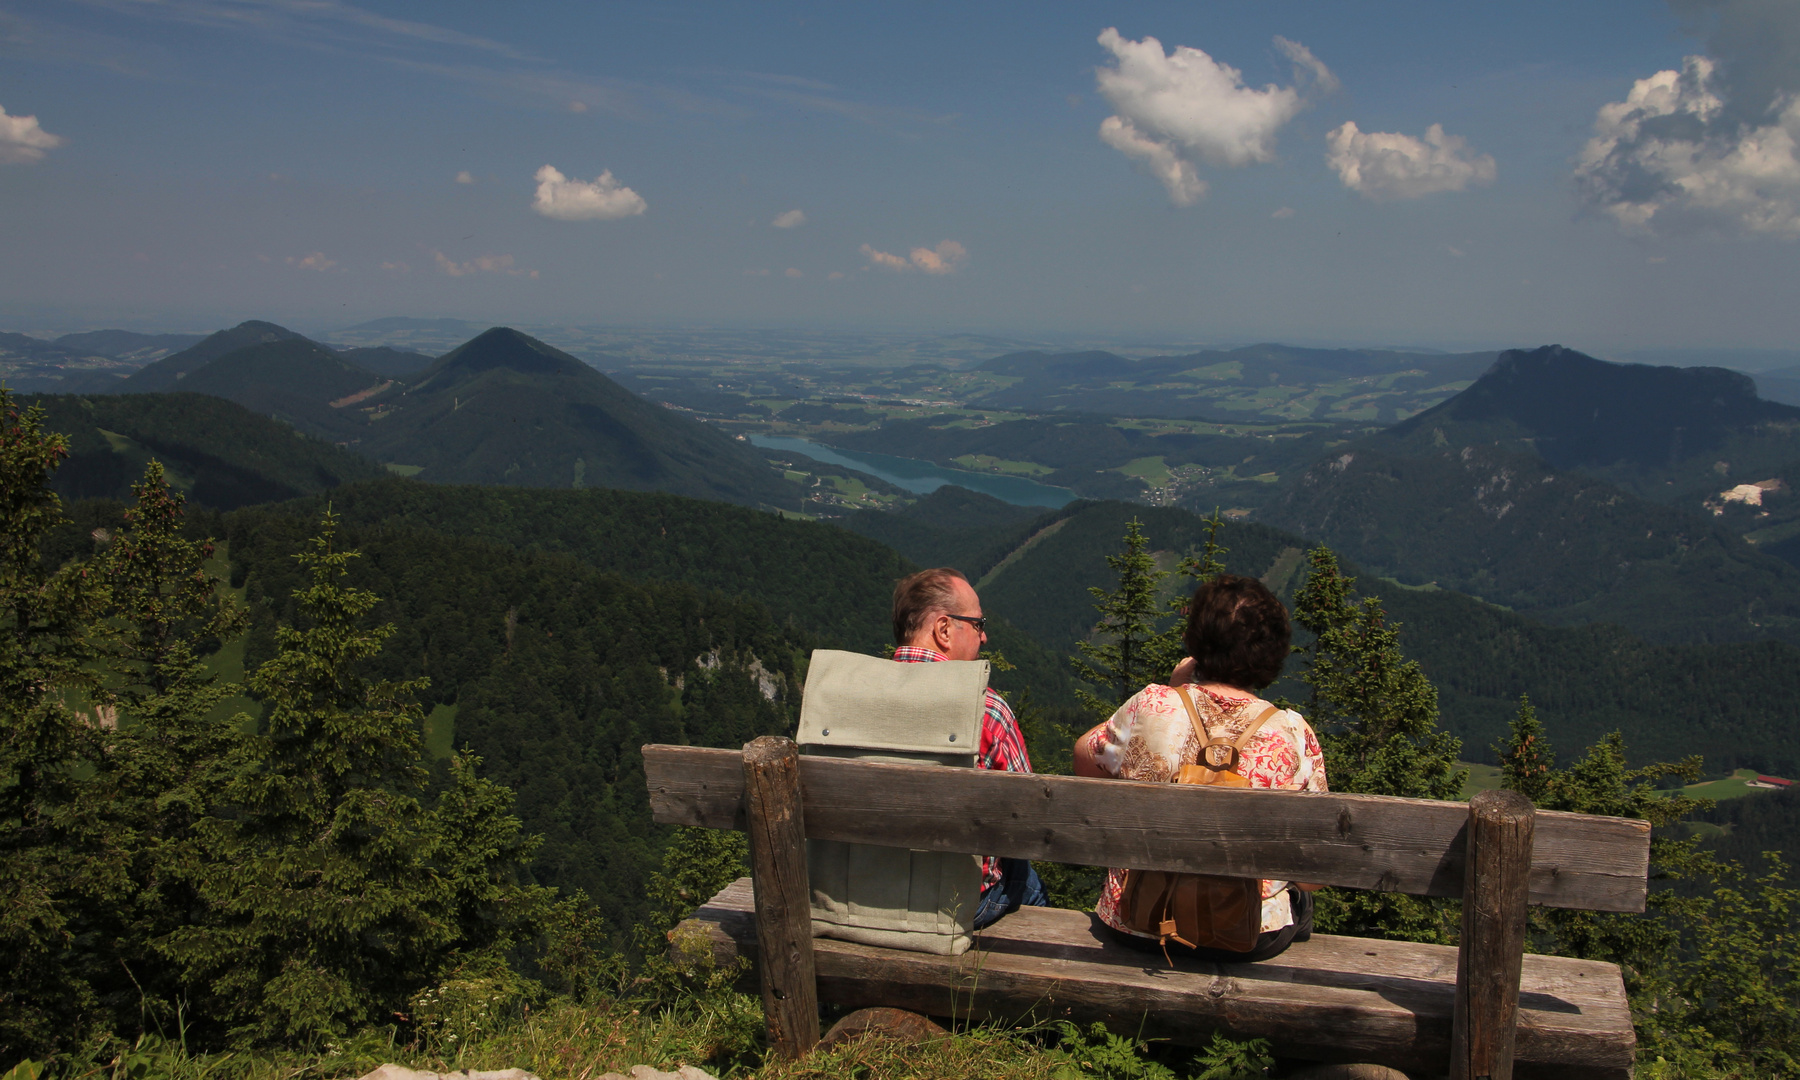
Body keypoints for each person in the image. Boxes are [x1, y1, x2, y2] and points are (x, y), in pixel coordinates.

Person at [1073, 574, 1327, 962]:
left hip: (1137, 922)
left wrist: (1171, 690)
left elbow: (1084, 758)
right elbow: (1315, 874)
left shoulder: (1152, 705)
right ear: (1272, 652)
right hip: (1248, 937)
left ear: (1197, 643)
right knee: (1299, 900)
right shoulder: (1293, 732)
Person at [891, 566, 1049, 929]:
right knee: (1026, 878)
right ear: (944, 629)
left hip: (860, 891)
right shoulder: (987, 710)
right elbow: (1030, 824)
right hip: (956, 904)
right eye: (978, 624)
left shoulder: (853, 700)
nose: (985, 637)